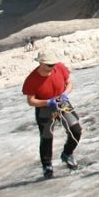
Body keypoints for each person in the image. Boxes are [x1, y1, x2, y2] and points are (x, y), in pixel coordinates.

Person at [22, 49, 83, 178]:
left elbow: (69, 83)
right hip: (45, 108)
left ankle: (67, 153)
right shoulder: (32, 79)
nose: (53, 67)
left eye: (54, 64)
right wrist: (48, 102)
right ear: (41, 63)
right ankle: (47, 165)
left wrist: (65, 94)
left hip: (62, 103)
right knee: (46, 137)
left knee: (76, 130)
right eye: (50, 65)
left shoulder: (59, 67)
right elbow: (31, 101)